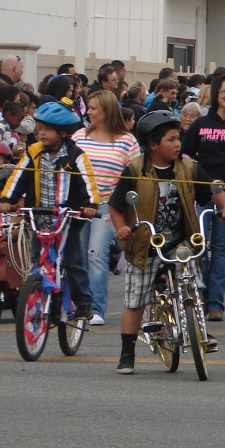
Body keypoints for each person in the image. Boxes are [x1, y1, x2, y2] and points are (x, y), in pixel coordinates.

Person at [108, 110, 225, 374]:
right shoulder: (134, 169)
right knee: (136, 299)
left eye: (178, 138)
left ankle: (199, 328)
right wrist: (121, 228)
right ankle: (127, 353)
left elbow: (213, 188)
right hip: (145, 243)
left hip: (180, 241)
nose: (178, 144)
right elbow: (116, 205)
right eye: (171, 139)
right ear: (153, 144)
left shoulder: (188, 167)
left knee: (193, 284)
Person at [0, 102, 100, 325]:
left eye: (47, 129)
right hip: (40, 219)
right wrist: (8, 199)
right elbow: (18, 177)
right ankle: (38, 297)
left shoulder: (76, 155)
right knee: (37, 261)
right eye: (39, 129)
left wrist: (91, 204)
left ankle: (83, 303)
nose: (41, 133)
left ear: (63, 133)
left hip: (68, 220)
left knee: (74, 262)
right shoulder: (33, 152)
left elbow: (87, 181)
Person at [71, 90, 142, 326]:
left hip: (107, 205)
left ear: (107, 111)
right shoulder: (79, 136)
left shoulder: (127, 140)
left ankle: (96, 308)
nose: (89, 113)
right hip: (80, 204)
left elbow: (136, 174)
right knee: (77, 256)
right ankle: (79, 304)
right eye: (88, 108)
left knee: (95, 254)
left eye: (93, 109)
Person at [182, 75, 225, 321]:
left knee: (220, 247)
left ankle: (215, 303)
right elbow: (185, 156)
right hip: (201, 192)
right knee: (198, 245)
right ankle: (199, 294)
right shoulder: (201, 124)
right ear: (216, 93)